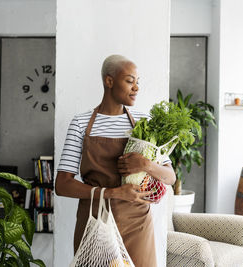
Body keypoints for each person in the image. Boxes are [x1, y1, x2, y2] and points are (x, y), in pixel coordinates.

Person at [55, 54, 176, 267]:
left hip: (136, 224)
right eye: (130, 81)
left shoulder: (143, 123)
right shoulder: (80, 124)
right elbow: (62, 185)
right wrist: (111, 193)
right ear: (109, 81)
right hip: (95, 222)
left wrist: (145, 164)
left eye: (138, 82)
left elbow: (170, 177)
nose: (136, 88)